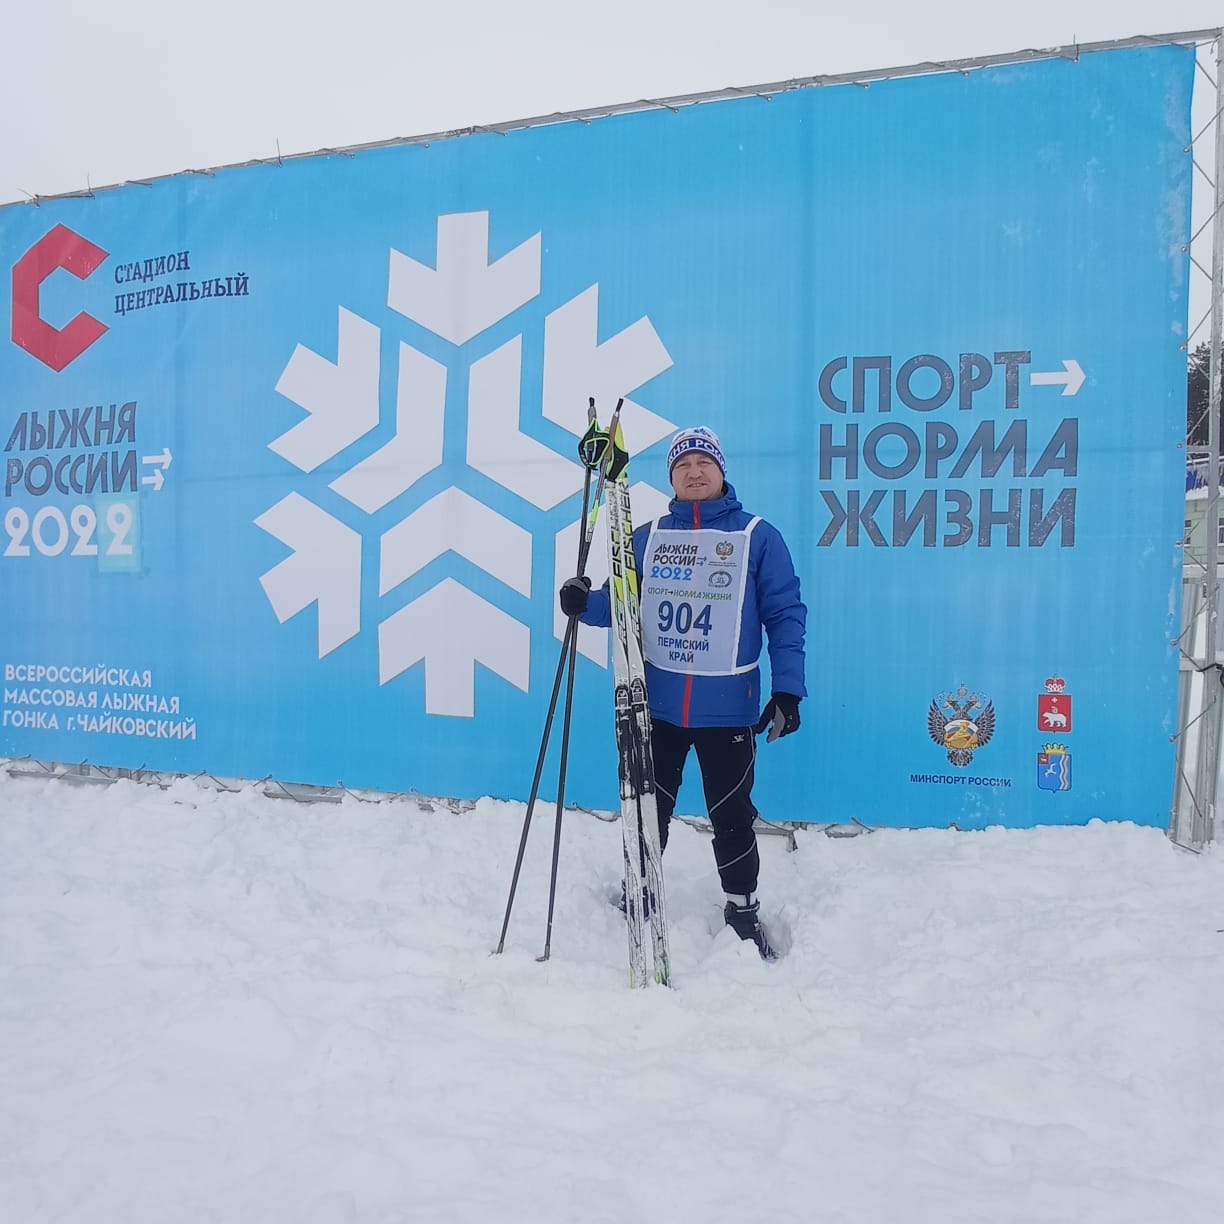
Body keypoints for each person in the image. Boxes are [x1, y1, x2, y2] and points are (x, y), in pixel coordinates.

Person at [559, 425, 806, 960]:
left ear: (721, 471)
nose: (694, 472)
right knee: (649, 809)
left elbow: (785, 615)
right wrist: (585, 602)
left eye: (704, 463)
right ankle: (640, 890)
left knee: (732, 816)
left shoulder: (756, 537)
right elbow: (622, 604)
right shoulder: (648, 536)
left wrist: (788, 690)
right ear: (671, 477)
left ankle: (742, 910)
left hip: (727, 712)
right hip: (659, 708)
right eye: (682, 465)